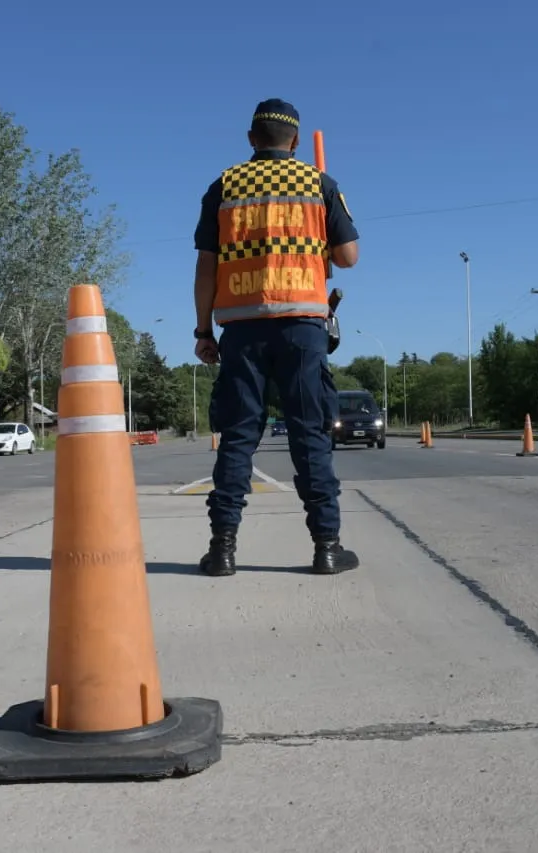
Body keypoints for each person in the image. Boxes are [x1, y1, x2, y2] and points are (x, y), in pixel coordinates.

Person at [191, 98, 361, 577]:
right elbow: (348, 258)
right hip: (302, 328)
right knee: (310, 438)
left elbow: (206, 266)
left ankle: (222, 550)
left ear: (251, 139)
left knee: (238, 437)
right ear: (297, 141)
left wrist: (204, 330)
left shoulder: (223, 187)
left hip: (241, 331)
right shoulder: (318, 184)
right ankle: (327, 547)